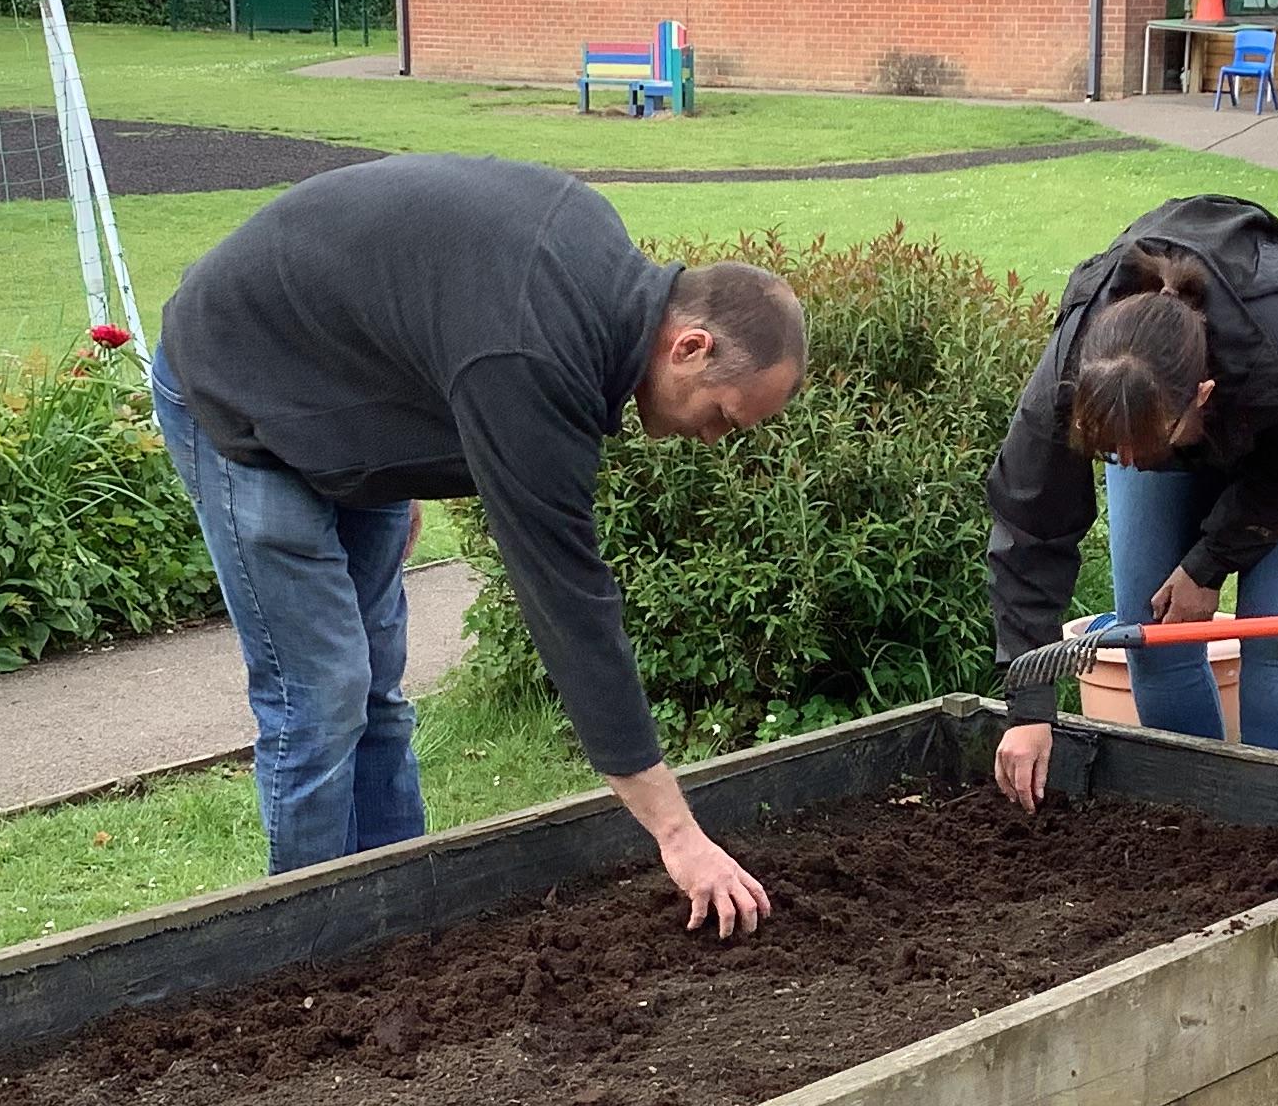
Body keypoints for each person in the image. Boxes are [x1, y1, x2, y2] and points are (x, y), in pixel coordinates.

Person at [150, 153, 806, 935]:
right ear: (689, 347)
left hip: (340, 397)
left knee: (377, 693)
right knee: (321, 695)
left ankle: (399, 926)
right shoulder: (536, 356)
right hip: (238, 382)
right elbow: (571, 609)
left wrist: (397, 465)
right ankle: (306, 950)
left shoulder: (593, 275)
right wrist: (678, 836)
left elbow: (427, 301)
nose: (714, 439)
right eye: (725, 415)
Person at [983, 196, 1278, 810]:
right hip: (1166, 414)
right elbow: (1030, 530)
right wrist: (1030, 706)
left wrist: (1209, 562)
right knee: (1152, 634)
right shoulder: (1076, 379)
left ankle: (1276, 817)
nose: (1127, 462)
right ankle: (1203, 811)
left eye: (1140, 447)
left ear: (1201, 394)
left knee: (1277, 631)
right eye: (1108, 450)